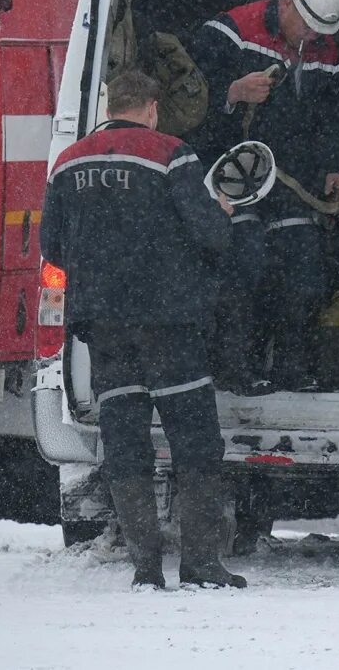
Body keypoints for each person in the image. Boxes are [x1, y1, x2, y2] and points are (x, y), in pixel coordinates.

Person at [40, 71, 246, 589]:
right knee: (195, 442)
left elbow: (51, 246)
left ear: (113, 103)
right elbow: (210, 237)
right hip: (168, 323)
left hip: (104, 327)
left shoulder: (68, 162)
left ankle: (146, 568)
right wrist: (222, 214)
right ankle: (200, 564)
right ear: (153, 107)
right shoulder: (171, 154)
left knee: (126, 442)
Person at [187, 0, 339, 392]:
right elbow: (182, 105)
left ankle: (293, 370)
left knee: (304, 269)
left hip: (292, 175)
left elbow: (330, 114)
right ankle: (235, 370)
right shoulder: (227, 32)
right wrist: (232, 93)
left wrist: (334, 164)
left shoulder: (324, 48)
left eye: (320, 31)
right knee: (244, 266)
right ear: (287, 1)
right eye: (307, 26)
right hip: (232, 172)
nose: (311, 38)